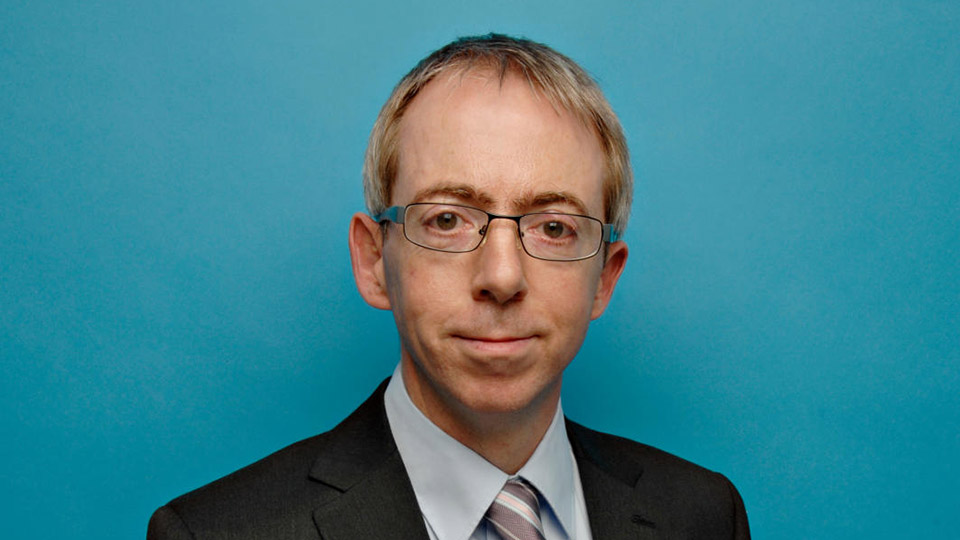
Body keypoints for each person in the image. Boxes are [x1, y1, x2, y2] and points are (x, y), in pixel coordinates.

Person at [148, 33, 750, 540]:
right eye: (446, 220)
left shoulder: (703, 517)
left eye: (554, 227)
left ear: (605, 277)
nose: (502, 277)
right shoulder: (212, 534)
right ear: (374, 260)